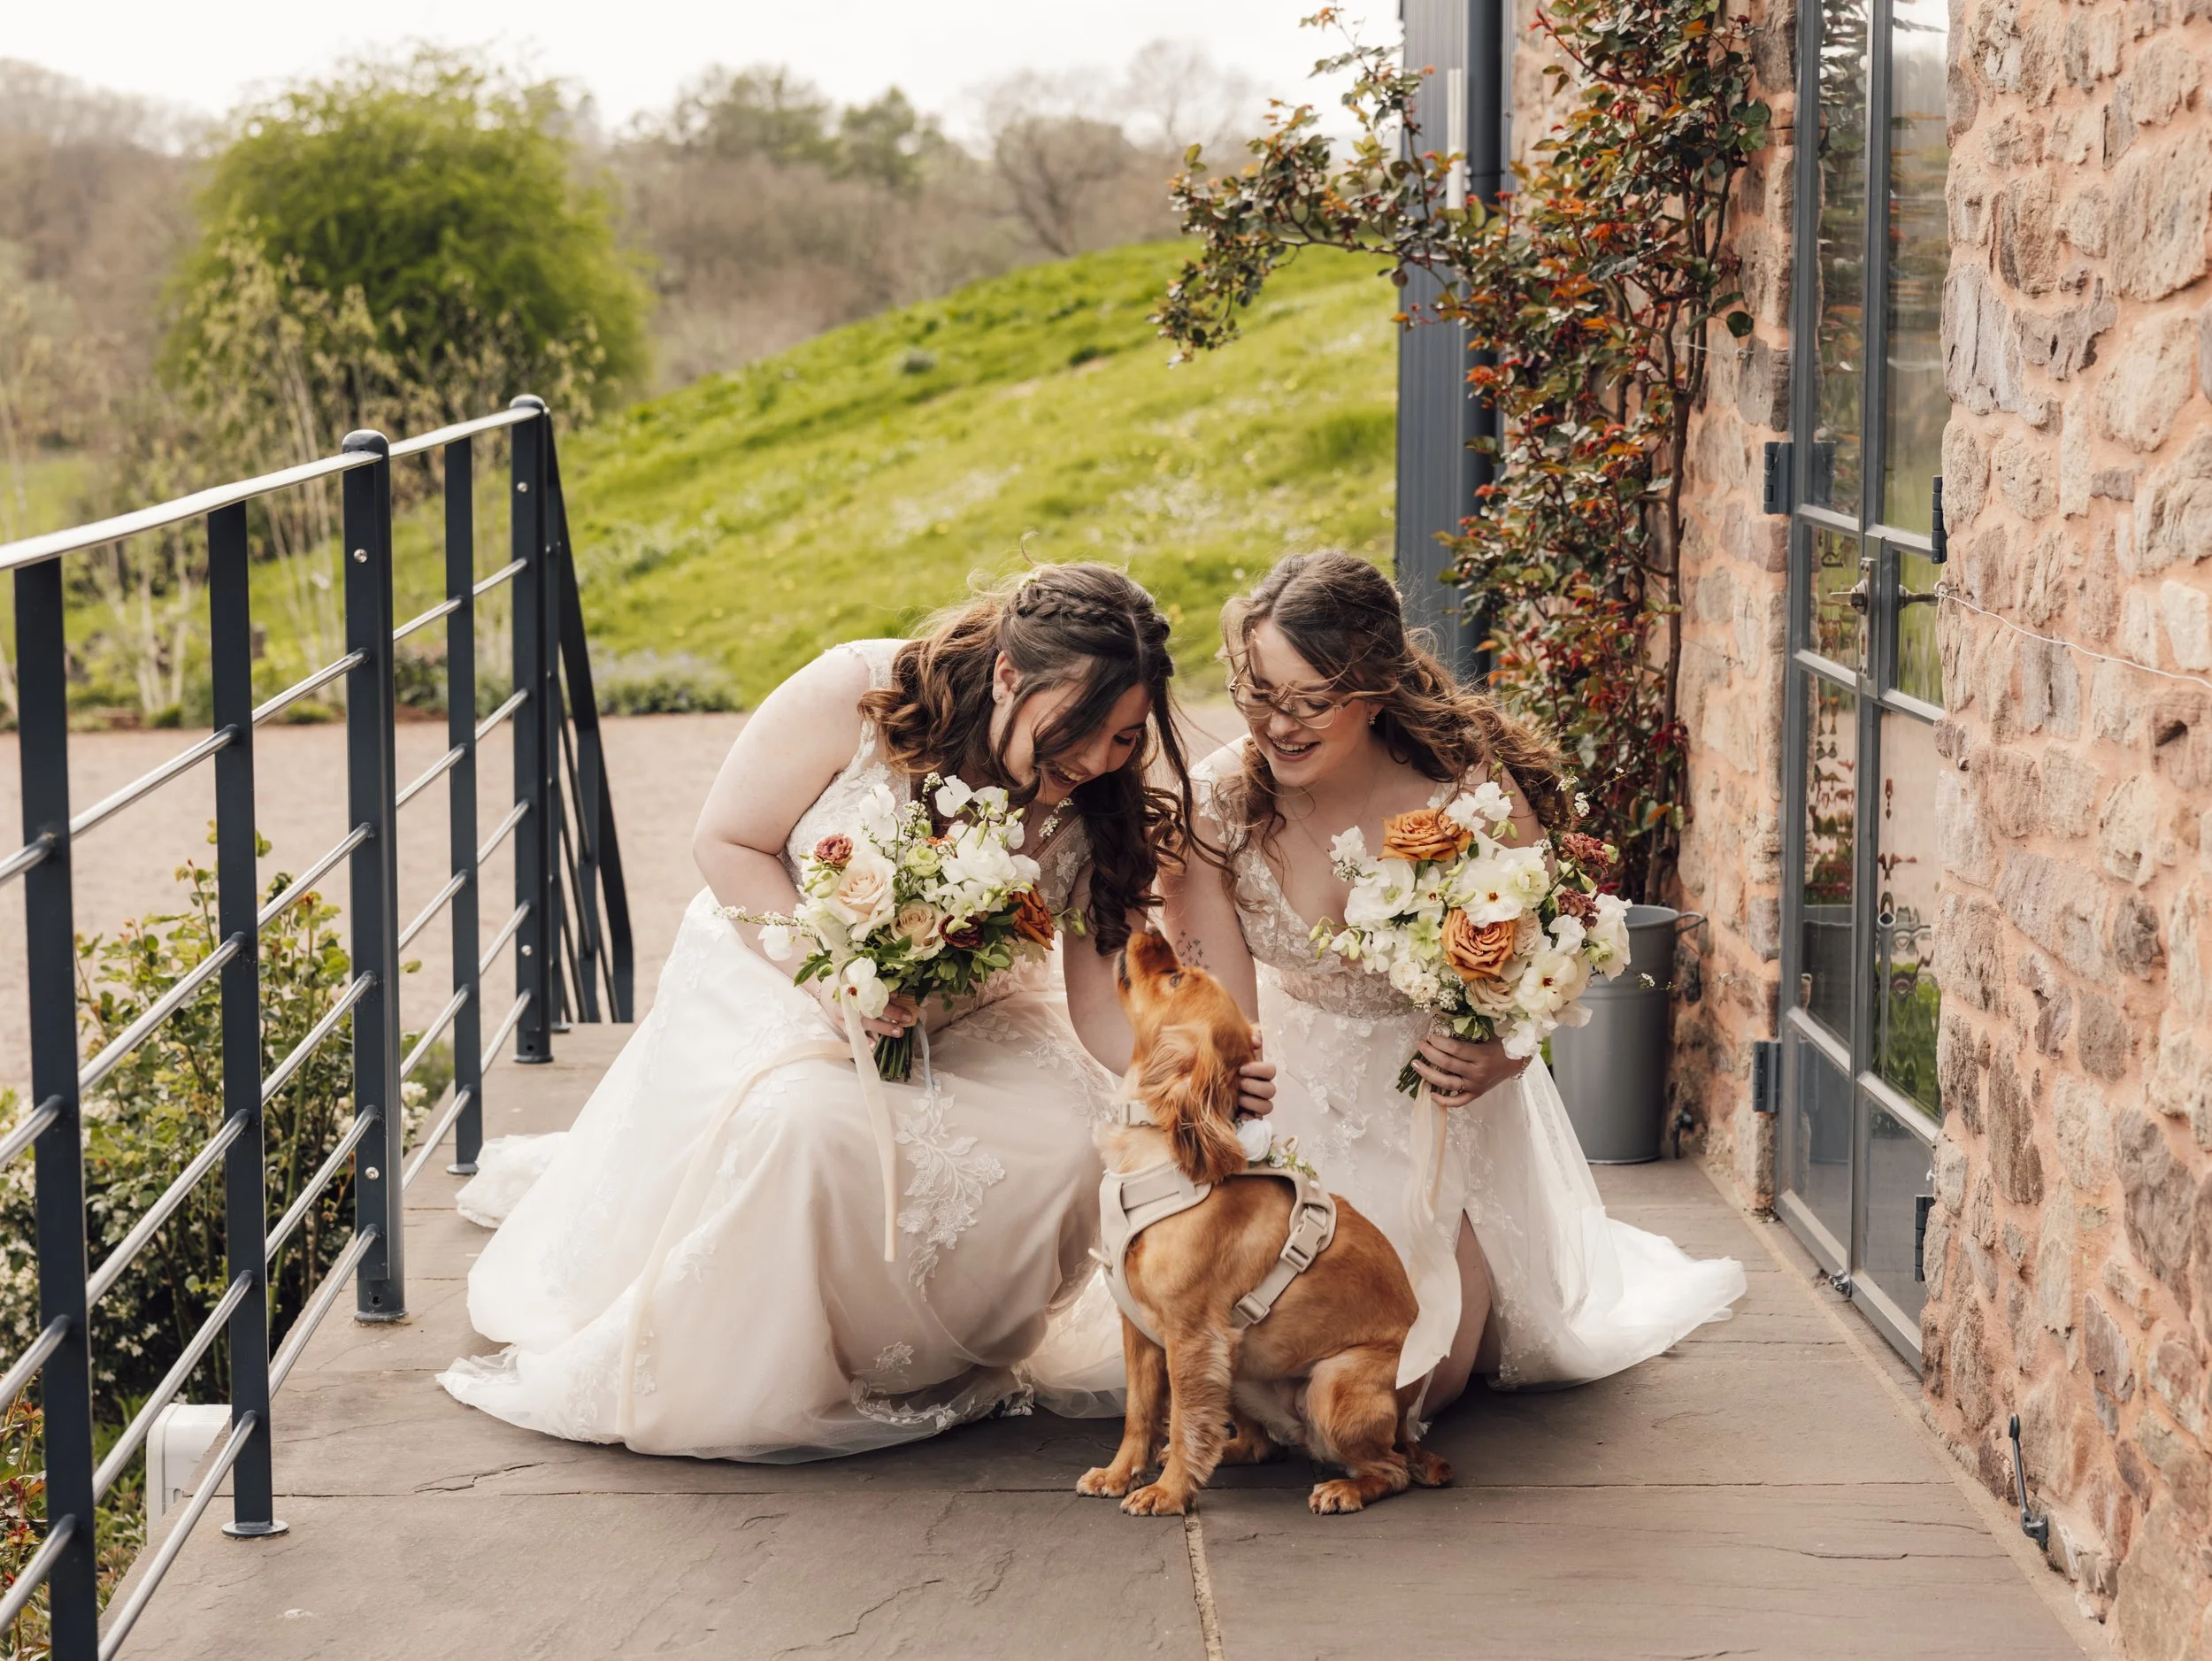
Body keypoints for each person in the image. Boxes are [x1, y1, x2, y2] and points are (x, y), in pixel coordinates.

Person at [439, 564, 1271, 1461]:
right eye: (1077, 731)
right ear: (1005, 677)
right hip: (779, 959)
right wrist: (830, 974)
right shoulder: (858, 692)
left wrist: (1183, 1070)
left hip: (967, 1013)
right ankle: (791, 1357)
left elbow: (1096, 1000)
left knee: (1076, 1135)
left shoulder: (1094, 798)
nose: (1098, 760)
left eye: (1123, 735)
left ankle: (931, 1350)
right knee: (799, 1123)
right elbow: (728, 840)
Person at [1162, 551, 1744, 1419]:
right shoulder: (1215, 805)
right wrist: (1241, 1135)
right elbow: (1221, 1008)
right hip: (1288, 1083)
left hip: (1438, 1090)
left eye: (1308, 699)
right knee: (1249, 1369)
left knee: (1416, 1385)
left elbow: (1550, 948)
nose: (1274, 723)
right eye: (1255, 691)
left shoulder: (1462, 787)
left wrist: (1502, 1053)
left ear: (1374, 689)